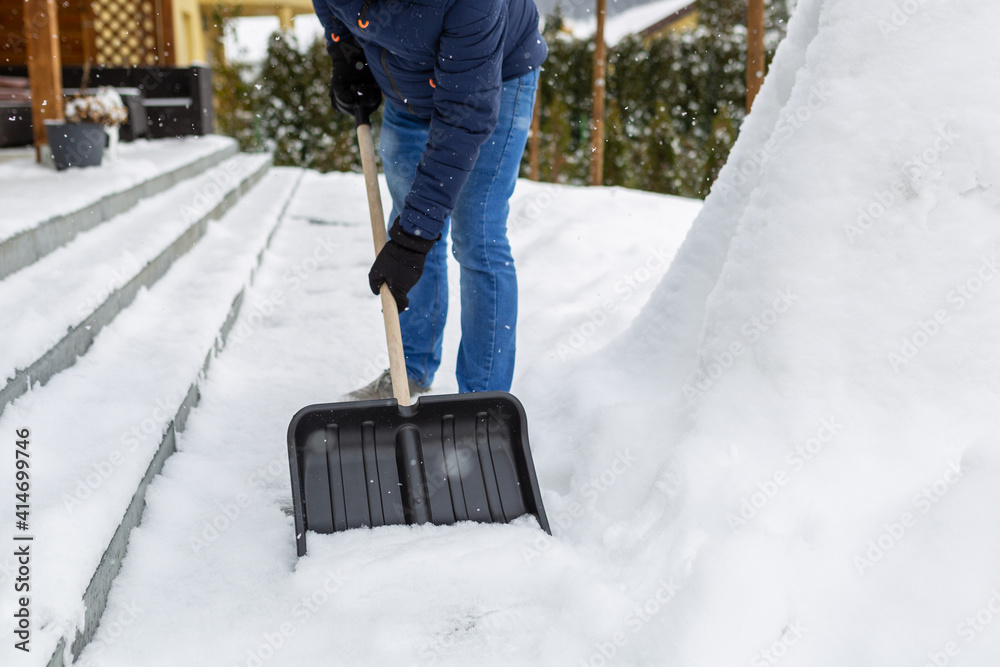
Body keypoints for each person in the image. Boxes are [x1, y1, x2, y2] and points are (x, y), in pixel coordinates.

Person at [312, 0, 547, 399]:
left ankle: (483, 400)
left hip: (491, 77)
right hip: (404, 85)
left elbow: (464, 114)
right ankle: (410, 372)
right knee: (408, 218)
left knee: (477, 234)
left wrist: (413, 240)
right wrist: (344, 48)